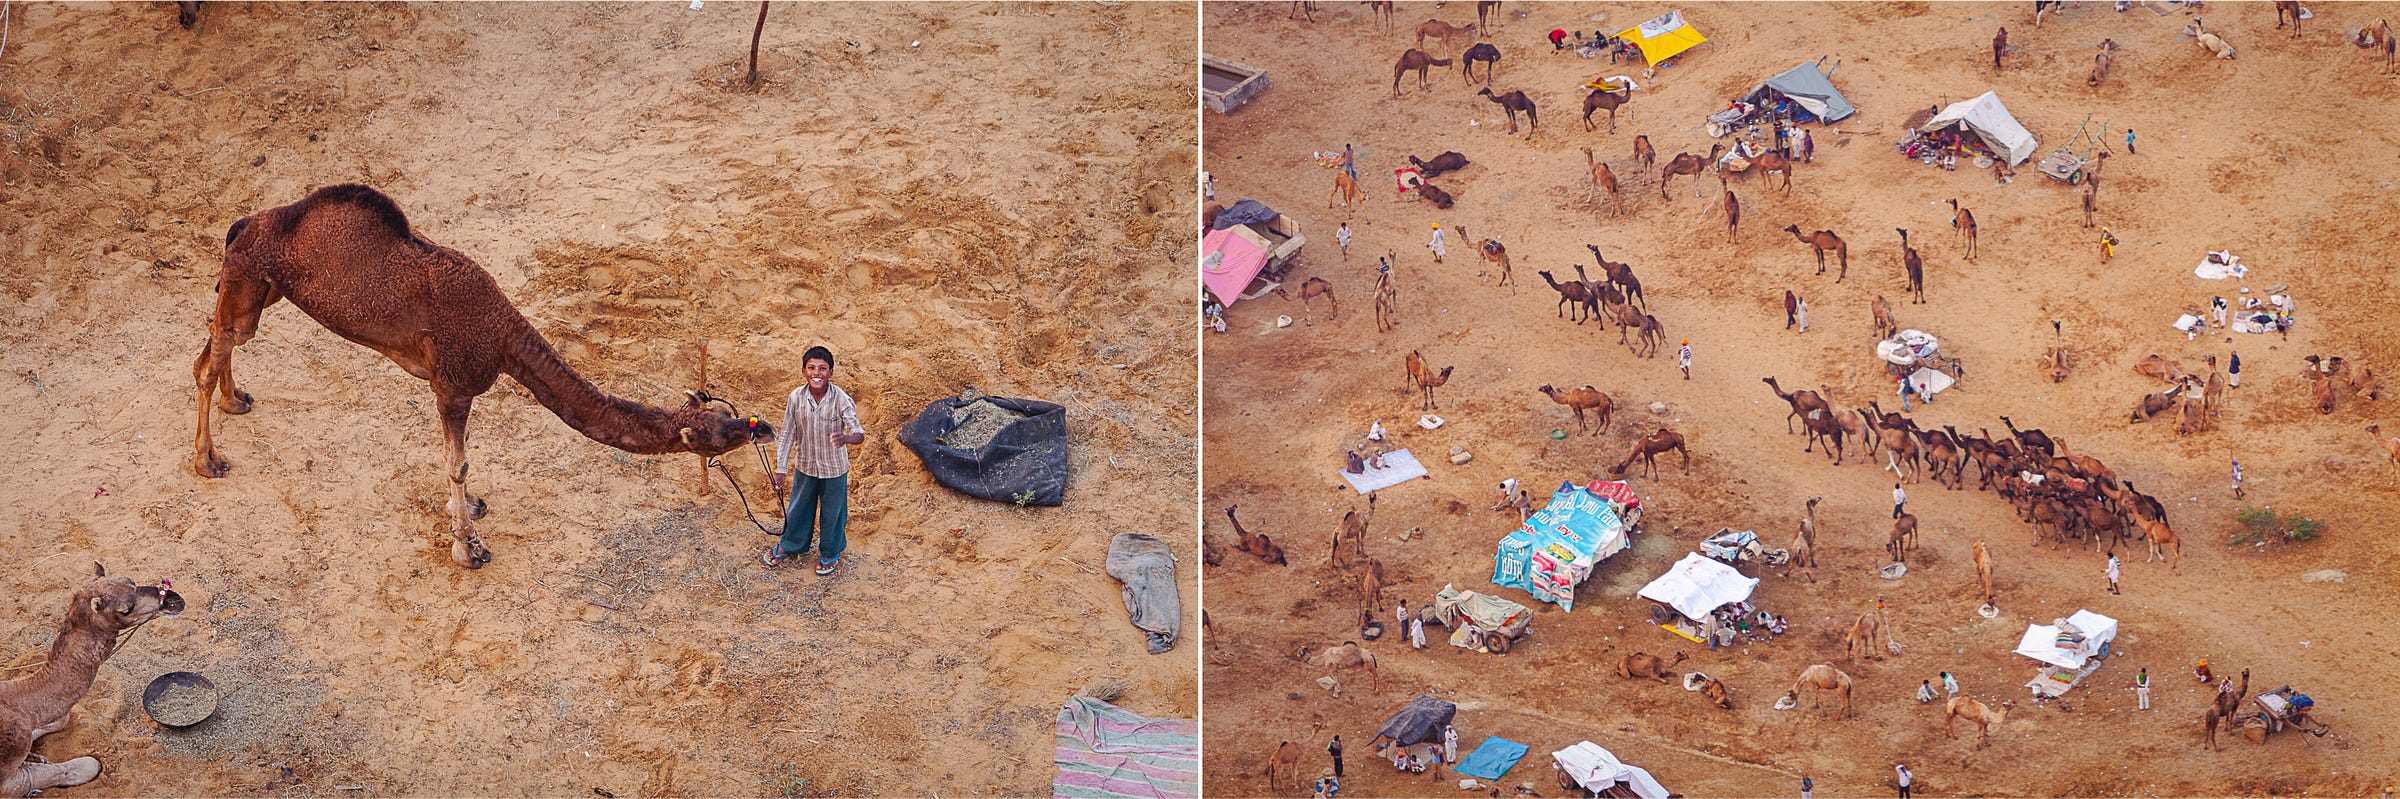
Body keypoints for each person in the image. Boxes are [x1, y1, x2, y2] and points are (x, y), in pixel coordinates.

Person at [767, 346, 867, 575]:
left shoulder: (841, 399)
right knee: (798, 507)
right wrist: (781, 469)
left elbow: (859, 433)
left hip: (834, 468)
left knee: (833, 512)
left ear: (831, 372)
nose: (817, 373)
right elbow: (787, 434)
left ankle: (830, 552)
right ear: (803, 371)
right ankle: (791, 544)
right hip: (805, 464)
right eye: (811, 368)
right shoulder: (795, 398)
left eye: (822, 369)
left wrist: (847, 438)